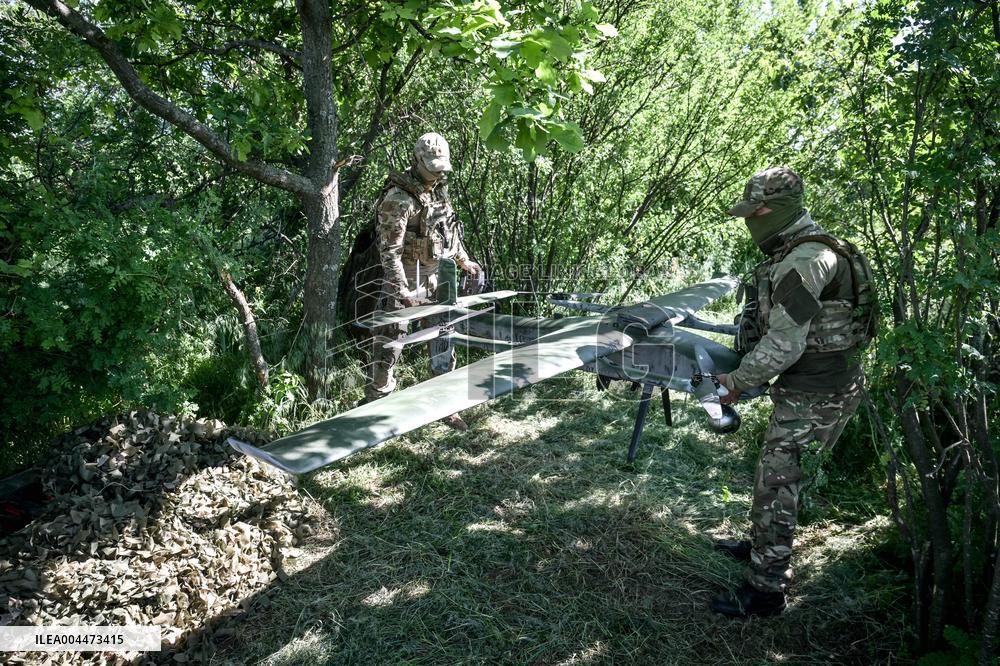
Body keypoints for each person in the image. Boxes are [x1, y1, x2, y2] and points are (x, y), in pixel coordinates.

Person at [711, 166, 877, 618]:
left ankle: (766, 592)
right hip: (820, 386)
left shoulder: (804, 260)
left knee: (777, 485)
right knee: (776, 477)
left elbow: (786, 341)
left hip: (816, 394)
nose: (750, 221)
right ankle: (764, 548)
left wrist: (737, 381)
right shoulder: (812, 247)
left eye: (757, 211)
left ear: (778, 209)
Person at [362, 132, 482, 429]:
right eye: (433, 166)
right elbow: (388, 251)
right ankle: (375, 411)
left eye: (442, 166)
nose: (439, 172)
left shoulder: (438, 190)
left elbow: (448, 233)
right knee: (390, 344)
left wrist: (463, 260)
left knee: (444, 338)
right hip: (405, 278)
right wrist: (402, 289)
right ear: (417, 161)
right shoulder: (398, 199)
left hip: (435, 276)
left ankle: (444, 405)